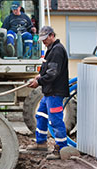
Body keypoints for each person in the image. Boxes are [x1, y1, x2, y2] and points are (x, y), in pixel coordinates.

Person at [27, 26, 69, 160]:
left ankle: (62, 149)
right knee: (40, 115)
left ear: (52, 35)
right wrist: (39, 77)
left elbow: (53, 74)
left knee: (56, 120)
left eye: (45, 39)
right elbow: (47, 71)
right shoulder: (50, 50)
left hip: (55, 92)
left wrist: (39, 82)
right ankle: (41, 143)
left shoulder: (57, 50)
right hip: (49, 92)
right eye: (42, 39)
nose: (43, 41)